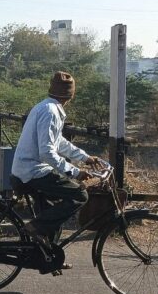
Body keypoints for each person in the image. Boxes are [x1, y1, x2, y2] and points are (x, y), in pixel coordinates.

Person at [11, 71, 100, 246]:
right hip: (33, 172)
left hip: (28, 169)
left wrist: (85, 157)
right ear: (71, 95)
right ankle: (34, 227)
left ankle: (48, 256)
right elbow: (47, 152)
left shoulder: (45, 107)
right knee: (79, 195)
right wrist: (74, 172)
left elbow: (58, 142)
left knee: (53, 214)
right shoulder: (50, 112)